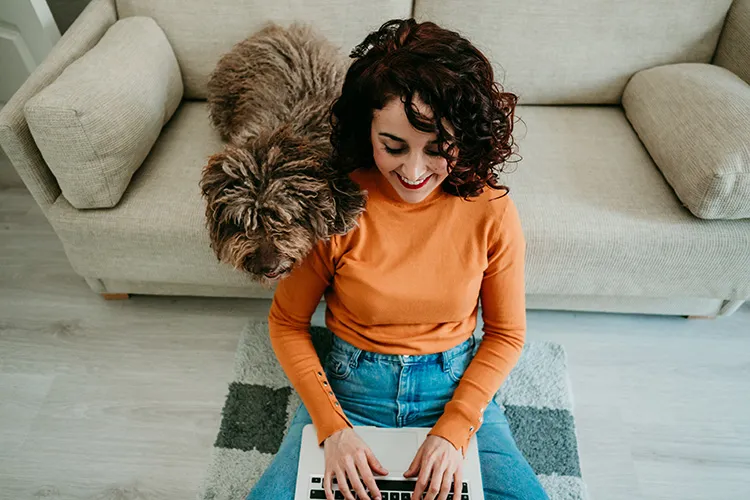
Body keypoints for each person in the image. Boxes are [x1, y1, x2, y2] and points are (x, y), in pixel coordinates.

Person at [247, 18, 549, 500]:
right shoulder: (337, 203)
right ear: (367, 128)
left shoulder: (491, 209)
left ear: (466, 138)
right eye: (393, 146)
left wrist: (453, 431)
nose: (412, 171)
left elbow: (507, 334)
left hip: (453, 388)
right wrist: (333, 429)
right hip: (349, 391)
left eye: (437, 148)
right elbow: (286, 323)